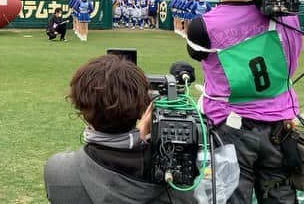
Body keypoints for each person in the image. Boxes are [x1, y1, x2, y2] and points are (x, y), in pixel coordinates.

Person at [184, 0, 303, 203]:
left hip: (228, 132)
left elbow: (196, 53)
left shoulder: (202, 27)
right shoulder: (288, 17)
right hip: (281, 131)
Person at [44, 54, 195, 203]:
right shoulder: (177, 180)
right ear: (143, 107)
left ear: (82, 112)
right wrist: (141, 138)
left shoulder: (57, 170)